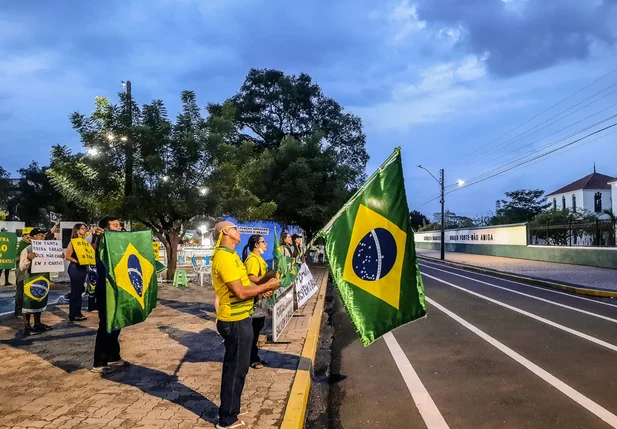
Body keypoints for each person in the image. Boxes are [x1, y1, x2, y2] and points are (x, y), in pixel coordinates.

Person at [212, 221, 280, 429]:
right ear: (225, 232)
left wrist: (263, 287)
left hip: (242, 318)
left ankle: (233, 408)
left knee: (240, 368)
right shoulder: (224, 257)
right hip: (233, 320)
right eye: (235, 229)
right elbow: (240, 292)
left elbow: (248, 285)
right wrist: (266, 285)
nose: (238, 231)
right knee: (235, 369)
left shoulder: (231, 255)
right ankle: (227, 419)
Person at [91, 216, 128, 374]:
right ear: (105, 229)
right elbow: (96, 245)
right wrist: (98, 236)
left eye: (119, 225)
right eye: (115, 225)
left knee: (116, 323)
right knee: (106, 325)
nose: (119, 228)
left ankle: (113, 356)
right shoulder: (101, 242)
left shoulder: (119, 243)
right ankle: (99, 362)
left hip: (118, 289)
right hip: (105, 290)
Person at [241, 234, 272, 370]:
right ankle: (251, 359)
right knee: (253, 332)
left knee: (257, 329)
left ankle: (255, 356)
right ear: (256, 245)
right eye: (263, 242)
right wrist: (261, 290)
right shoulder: (252, 259)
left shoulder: (259, 259)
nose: (265, 244)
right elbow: (251, 278)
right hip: (255, 301)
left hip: (261, 301)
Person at [18, 228, 53, 335]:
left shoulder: (48, 249)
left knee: (39, 300)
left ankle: (37, 323)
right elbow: (21, 267)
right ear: (32, 237)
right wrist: (28, 259)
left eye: (43, 235)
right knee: (28, 303)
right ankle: (27, 326)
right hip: (31, 279)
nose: (42, 237)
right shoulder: (27, 249)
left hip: (43, 278)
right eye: (39, 235)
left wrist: (59, 258)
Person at [63, 223, 90, 321]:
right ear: (77, 230)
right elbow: (68, 256)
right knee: (75, 291)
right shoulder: (73, 242)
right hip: (75, 268)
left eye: (85, 229)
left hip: (83, 268)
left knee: (80, 290)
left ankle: (78, 312)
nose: (85, 230)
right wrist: (78, 261)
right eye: (83, 229)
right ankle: (73, 314)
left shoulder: (84, 242)